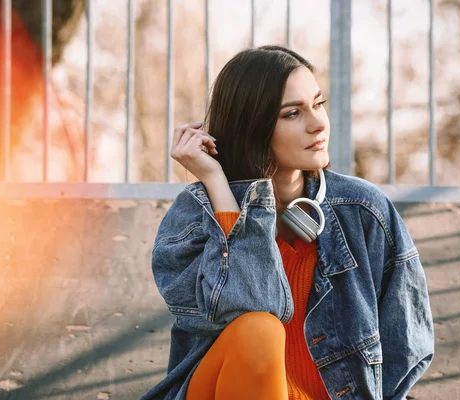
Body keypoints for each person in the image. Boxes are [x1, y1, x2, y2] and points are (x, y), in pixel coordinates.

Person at [142, 45, 434, 400]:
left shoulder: (362, 209)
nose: (318, 124)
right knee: (259, 330)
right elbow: (251, 306)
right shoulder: (194, 215)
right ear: (254, 127)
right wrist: (221, 188)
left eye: (318, 103)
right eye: (293, 114)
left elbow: (406, 341)